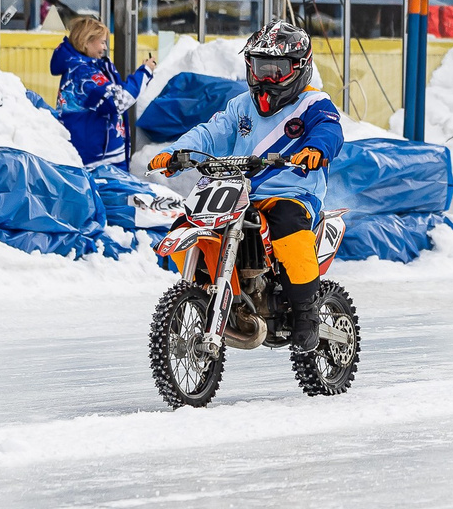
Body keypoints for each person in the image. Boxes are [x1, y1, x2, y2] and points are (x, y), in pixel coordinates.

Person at [147, 20, 344, 352]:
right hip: (238, 190)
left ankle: (306, 313)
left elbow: (330, 130)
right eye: (259, 67)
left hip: (290, 193)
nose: (265, 78)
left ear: (299, 68)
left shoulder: (314, 104)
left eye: (276, 69)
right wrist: (173, 153)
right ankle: (206, 291)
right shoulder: (241, 106)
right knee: (190, 220)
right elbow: (210, 133)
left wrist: (316, 149)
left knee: (288, 228)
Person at [50, 14, 153, 167]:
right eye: (102, 42)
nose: (105, 48)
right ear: (86, 42)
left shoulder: (83, 67)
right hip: (97, 162)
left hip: (97, 157)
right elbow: (119, 101)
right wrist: (144, 73)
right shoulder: (84, 74)